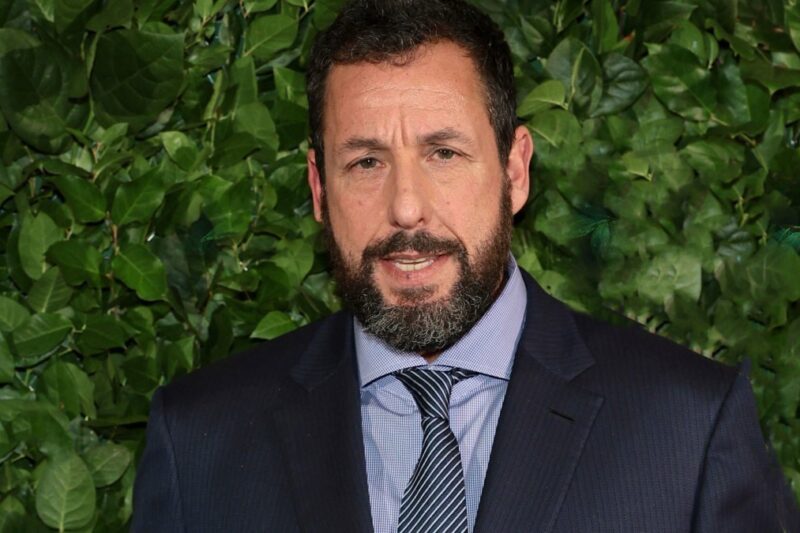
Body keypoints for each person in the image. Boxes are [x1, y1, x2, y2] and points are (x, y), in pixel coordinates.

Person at [132, 1, 800, 531]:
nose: (406, 208)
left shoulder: (688, 427)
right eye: (365, 162)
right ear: (318, 188)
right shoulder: (199, 444)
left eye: (443, 153)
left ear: (515, 171)